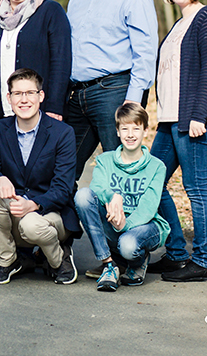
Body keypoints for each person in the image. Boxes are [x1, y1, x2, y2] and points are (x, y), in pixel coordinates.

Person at [149, 0, 207, 283]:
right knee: (151, 182)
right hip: (170, 121)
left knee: (197, 189)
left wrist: (198, 116)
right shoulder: (179, 24)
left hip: (193, 120)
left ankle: (203, 261)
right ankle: (177, 253)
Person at [66, 0, 158, 180]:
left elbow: (146, 53)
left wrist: (134, 100)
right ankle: (65, 220)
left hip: (114, 92)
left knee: (121, 168)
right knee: (62, 167)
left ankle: (134, 219)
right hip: (77, 96)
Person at [0, 68, 78, 286]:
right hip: (16, 212)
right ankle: (8, 261)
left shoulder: (63, 133)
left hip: (50, 215)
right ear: (9, 98)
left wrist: (32, 205)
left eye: (30, 93)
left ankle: (58, 260)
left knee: (32, 225)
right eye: (17, 94)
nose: (24, 100)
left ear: (40, 96)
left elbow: (63, 189)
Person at [74, 102, 169, 292]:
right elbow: (97, 187)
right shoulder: (104, 160)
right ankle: (109, 265)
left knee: (127, 244)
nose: (130, 134)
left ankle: (138, 261)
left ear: (145, 130)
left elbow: (149, 207)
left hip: (145, 226)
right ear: (117, 131)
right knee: (83, 196)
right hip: (114, 223)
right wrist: (113, 196)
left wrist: (125, 226)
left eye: (136, 128)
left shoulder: (157, 166)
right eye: (125, 129)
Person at [0, 0, 71, 122]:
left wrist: (54, 107)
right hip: (3, 113)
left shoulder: (51, 12)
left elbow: (61, 62)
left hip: (41, 113)